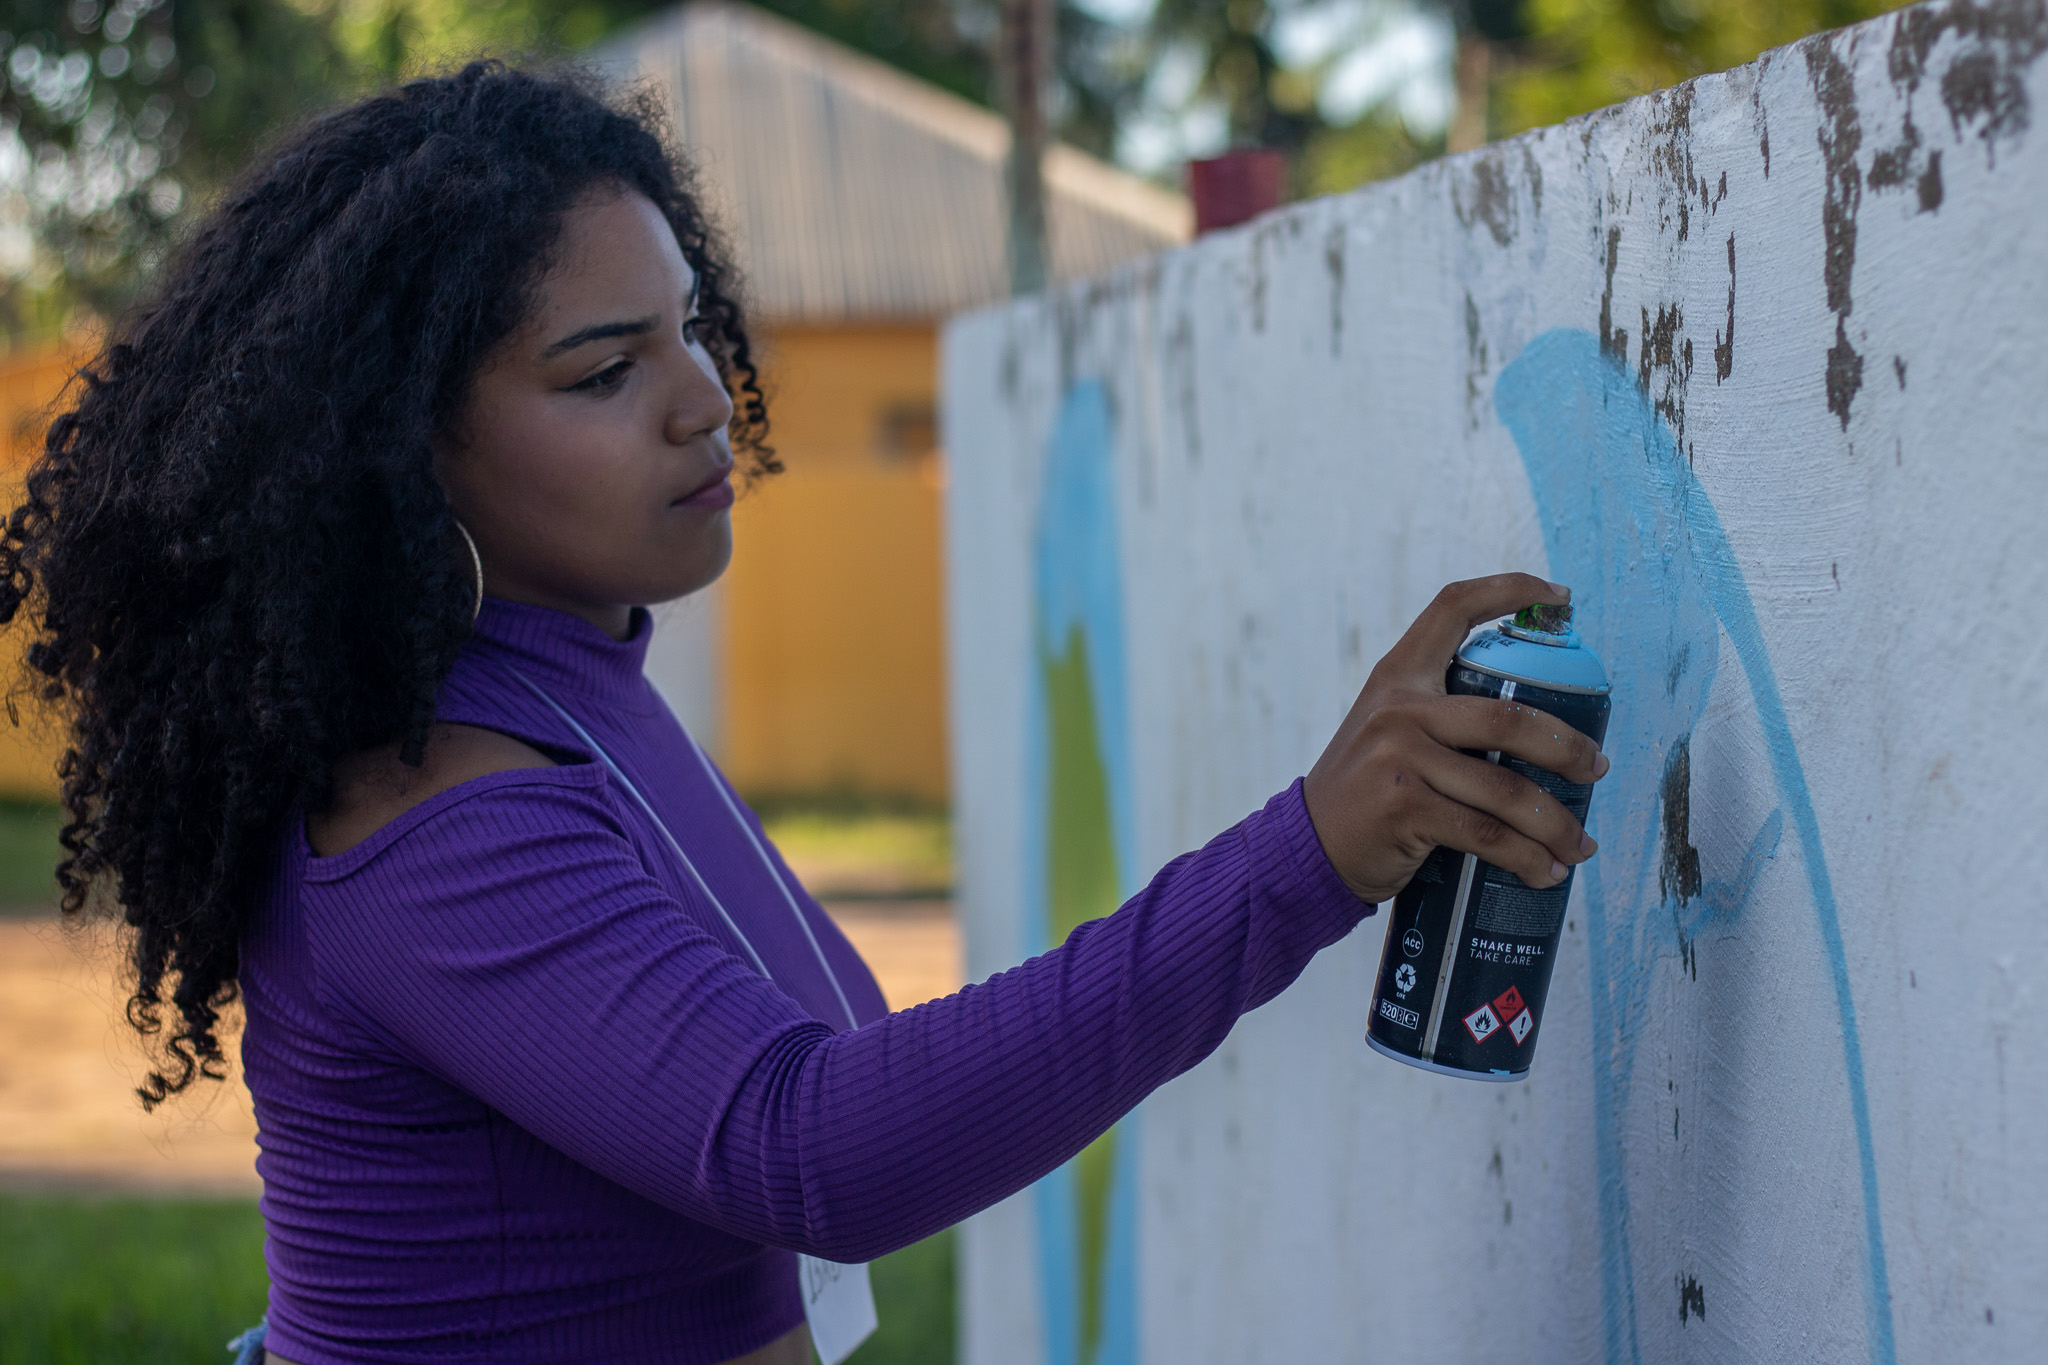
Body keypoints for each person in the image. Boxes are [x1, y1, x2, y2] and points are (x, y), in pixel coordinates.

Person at [0, 63, 1606, 1365]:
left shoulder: (570, 680)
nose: (704, 394)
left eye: (688, 323)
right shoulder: (427, 818)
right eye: (602, 370)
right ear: (403, 458)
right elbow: (811, 1146)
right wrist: (1308, 852)